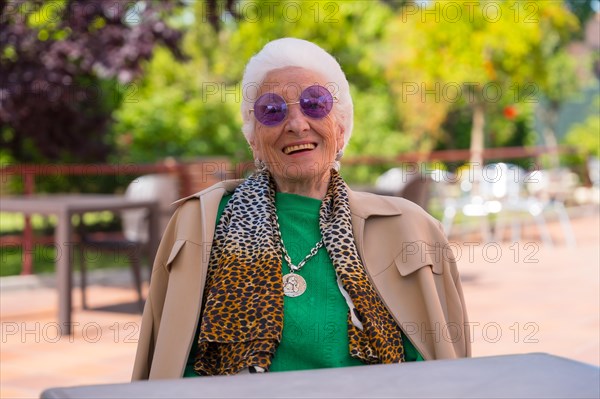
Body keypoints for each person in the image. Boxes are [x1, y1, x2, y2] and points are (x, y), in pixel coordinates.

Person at [132, 38, 470, 380]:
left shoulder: (412, 228)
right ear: (253, 139)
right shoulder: (200, 223)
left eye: (314, 103)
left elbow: (445, 370)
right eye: (272, 110)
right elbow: (168, 362)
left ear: (339, 128)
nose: (296, 123)